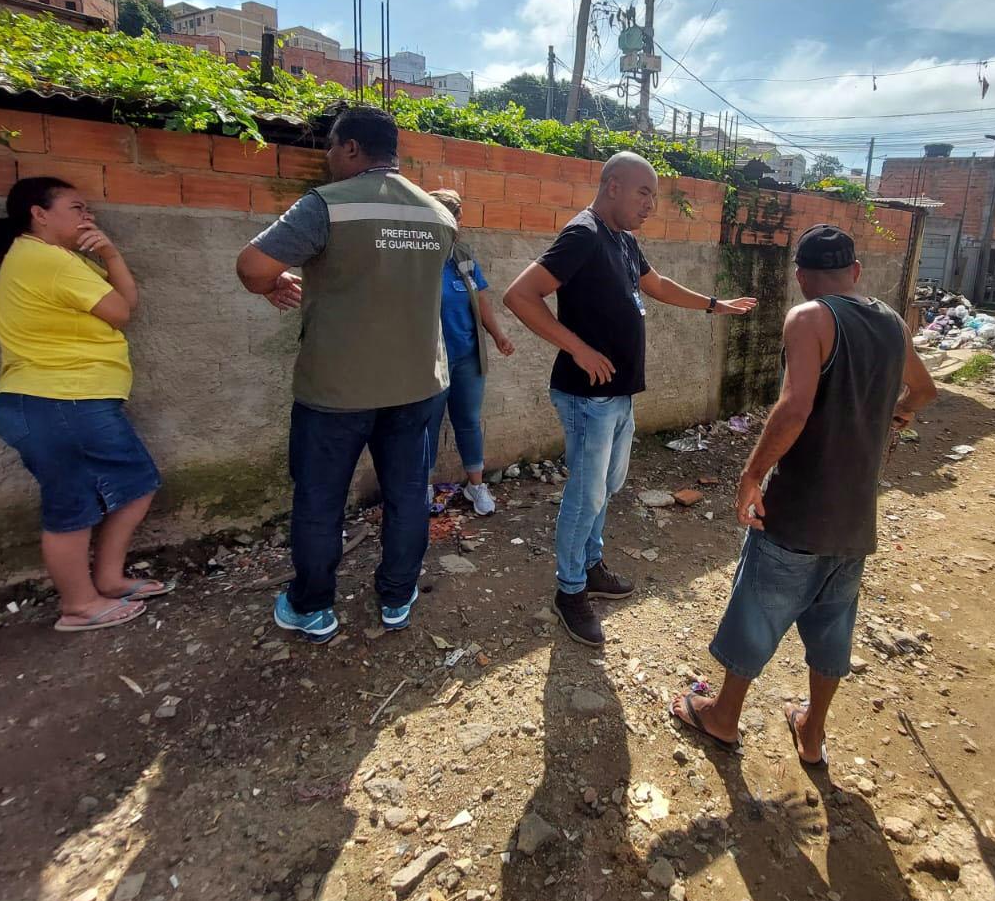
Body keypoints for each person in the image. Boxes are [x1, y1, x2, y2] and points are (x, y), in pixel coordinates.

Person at [668, 224, 937, 762]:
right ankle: (812, 734)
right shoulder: (891, 321)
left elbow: (794, 408)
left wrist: (751, 475)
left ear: (800, 277)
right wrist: (899, 413)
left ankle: (723, 718)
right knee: (833, 625)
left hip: (799, 508)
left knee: (756, 610)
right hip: (855, 516)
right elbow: (924, 389)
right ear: (855, 271)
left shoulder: (809, 318)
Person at [504, 152, 759, 647]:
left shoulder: (622, 239)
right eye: (644, 193)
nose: (651, 205)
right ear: (613, 186)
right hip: (587, 397)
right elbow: (519, 295)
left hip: (617, 394)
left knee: (606, 486)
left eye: (654, 196)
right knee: (586, 493)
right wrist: (578, 349)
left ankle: (590, 564)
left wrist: (714, 305)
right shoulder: (583, 234)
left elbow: (656, 284)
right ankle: (569, 591)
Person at [236, 105, 455, 643]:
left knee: (320, 499)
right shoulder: (439, 214)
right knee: (408, 495)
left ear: (352, 147)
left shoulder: (326, 205)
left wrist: (272, 285)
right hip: (416, 386)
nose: (330, 156)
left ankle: (311, 607)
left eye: (332, 147)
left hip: (335, 390)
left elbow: (252, 266)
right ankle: (397, 597)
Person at [0, 176, 171, 633]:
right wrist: (108, 255)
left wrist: (110, 254)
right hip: (58, 399)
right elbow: (120, 313)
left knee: (136, 483)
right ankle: (79, 605)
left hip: (67, 399)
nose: (88, 216)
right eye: (76, 207)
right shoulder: (47, 260)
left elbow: (125, 303)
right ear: (39, 214)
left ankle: (107, 580)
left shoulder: (57, 259)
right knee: (71, 506)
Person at [424, 189, 515, 515]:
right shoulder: (420, 258)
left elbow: (481, 300)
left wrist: (498, 335)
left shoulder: (462, 256)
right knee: (426, 425)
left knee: (468, 421)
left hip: (467, 357)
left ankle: (476, 486)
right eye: (454, 219)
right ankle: (422, 487)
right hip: (430, 361)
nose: (458, 226)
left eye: (459, 220)